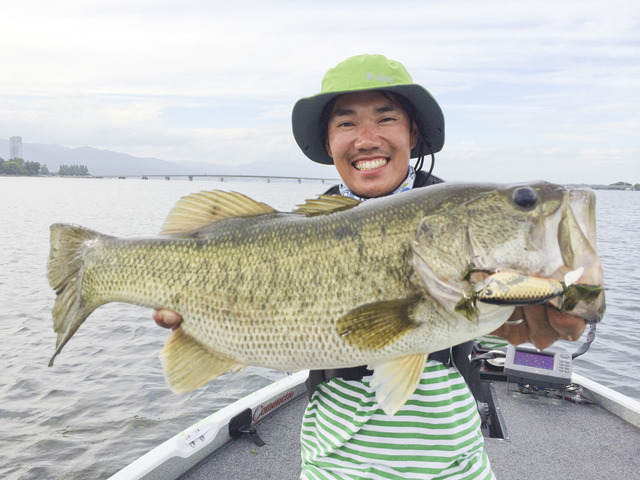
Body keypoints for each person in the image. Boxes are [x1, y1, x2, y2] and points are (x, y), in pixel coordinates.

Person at [154, 54, 587, 479]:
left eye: (385, 118)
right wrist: (207, 324)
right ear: (327, 142)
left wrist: (566, 305)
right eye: (346, 123)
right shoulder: (298, 230)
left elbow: (554, 306)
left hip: (456, 459)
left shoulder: (454, 213)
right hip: (335, 462)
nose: (366, 138)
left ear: (412, 132)